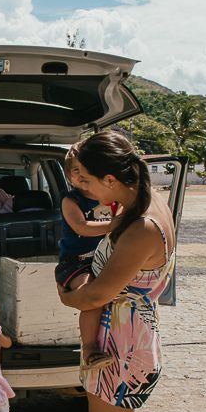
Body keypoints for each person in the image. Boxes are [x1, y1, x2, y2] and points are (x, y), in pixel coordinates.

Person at [55, 130, 177, 412]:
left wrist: (67, 295)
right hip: (114, 335)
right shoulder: (140, 203)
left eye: (85, 179)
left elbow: (94, 295)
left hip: (123, 344)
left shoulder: (143, 225)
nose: (79, 187)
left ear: (110, 178)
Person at [57, 142, 118, 373]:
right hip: (77, 262)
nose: (81, 176)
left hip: (108, 259)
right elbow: (81, 228)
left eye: (86, 170)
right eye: (75, 171)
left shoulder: (113, 198)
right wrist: (116, 224)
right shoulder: (71, 201)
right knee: (91, 296)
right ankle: (90, 349)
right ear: (68, 175)